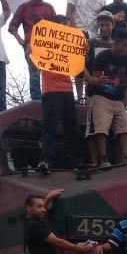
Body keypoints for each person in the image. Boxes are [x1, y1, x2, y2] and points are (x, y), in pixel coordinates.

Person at [85, 28, 127, 168]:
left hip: (117, 99)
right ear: (116, 43)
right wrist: (97, 80)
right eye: (125, 44)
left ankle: (125, 157)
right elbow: (95, 76)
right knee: (101, 128)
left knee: (125, 127)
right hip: (100, 96)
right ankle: (103, 158)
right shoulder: (103, 56)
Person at [36, 15, 81, 177]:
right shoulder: (45, 42)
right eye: (64, 26)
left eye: (68, 26)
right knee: (50, 127)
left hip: (68, 89)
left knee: (72, 127)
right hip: (50, 89)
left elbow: (78, 68)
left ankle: (74, 160)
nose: (67, 29)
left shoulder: (69, 45)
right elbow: (33, 62)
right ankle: (47, 159)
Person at [8, 0, 56, 102]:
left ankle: (50, 101)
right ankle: (37, 103)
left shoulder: (49, 7)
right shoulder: (24, 7)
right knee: (35, 76)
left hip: (48, 47)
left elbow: (57, 28)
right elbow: (12, 26)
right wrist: (20, 40)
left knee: (50, 75)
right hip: (31, 47)